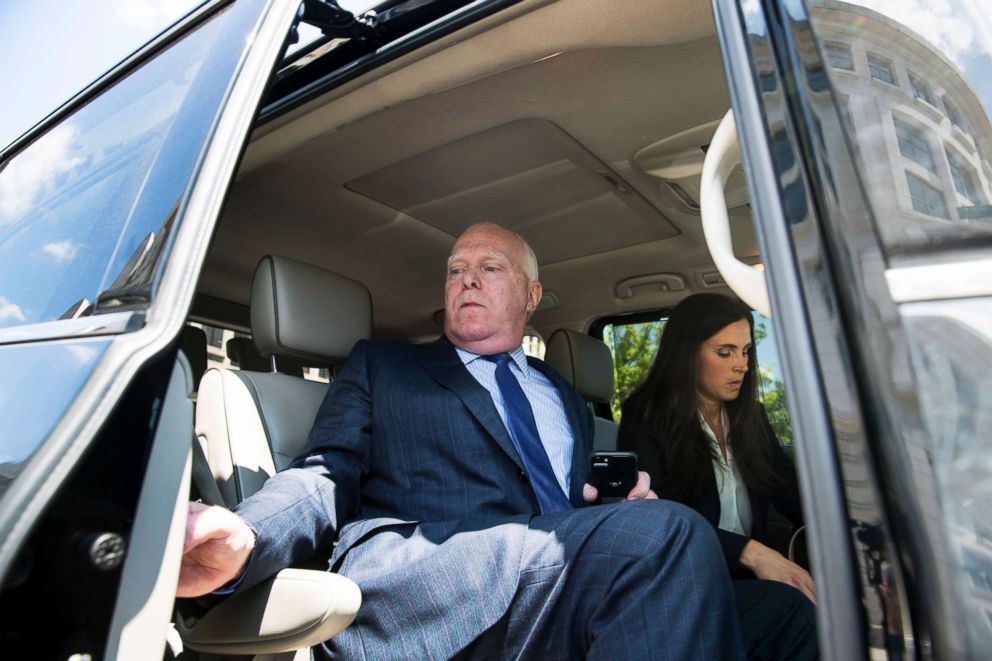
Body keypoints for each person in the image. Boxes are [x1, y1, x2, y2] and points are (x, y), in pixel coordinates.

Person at [178, 224, 816, 659]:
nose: (467, 280)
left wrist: (613, 511)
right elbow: (323, 474)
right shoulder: (384, 367)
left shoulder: (559, 393)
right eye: (456, 270)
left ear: (532, 296)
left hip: (554, 580)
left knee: (787, 612)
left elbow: (567, 506)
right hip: (436, 579)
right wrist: (248, 534)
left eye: (490, 268)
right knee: (671, 536)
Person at [617, 293, 815, 603]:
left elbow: (789, 490)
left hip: (748, 580)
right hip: (687, 582)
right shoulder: (645, 416)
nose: (742, 366)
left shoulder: (752, 416)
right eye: (725, 353)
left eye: (746, 352)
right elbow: (659, 517)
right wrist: (750, 552)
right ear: (687, 355)